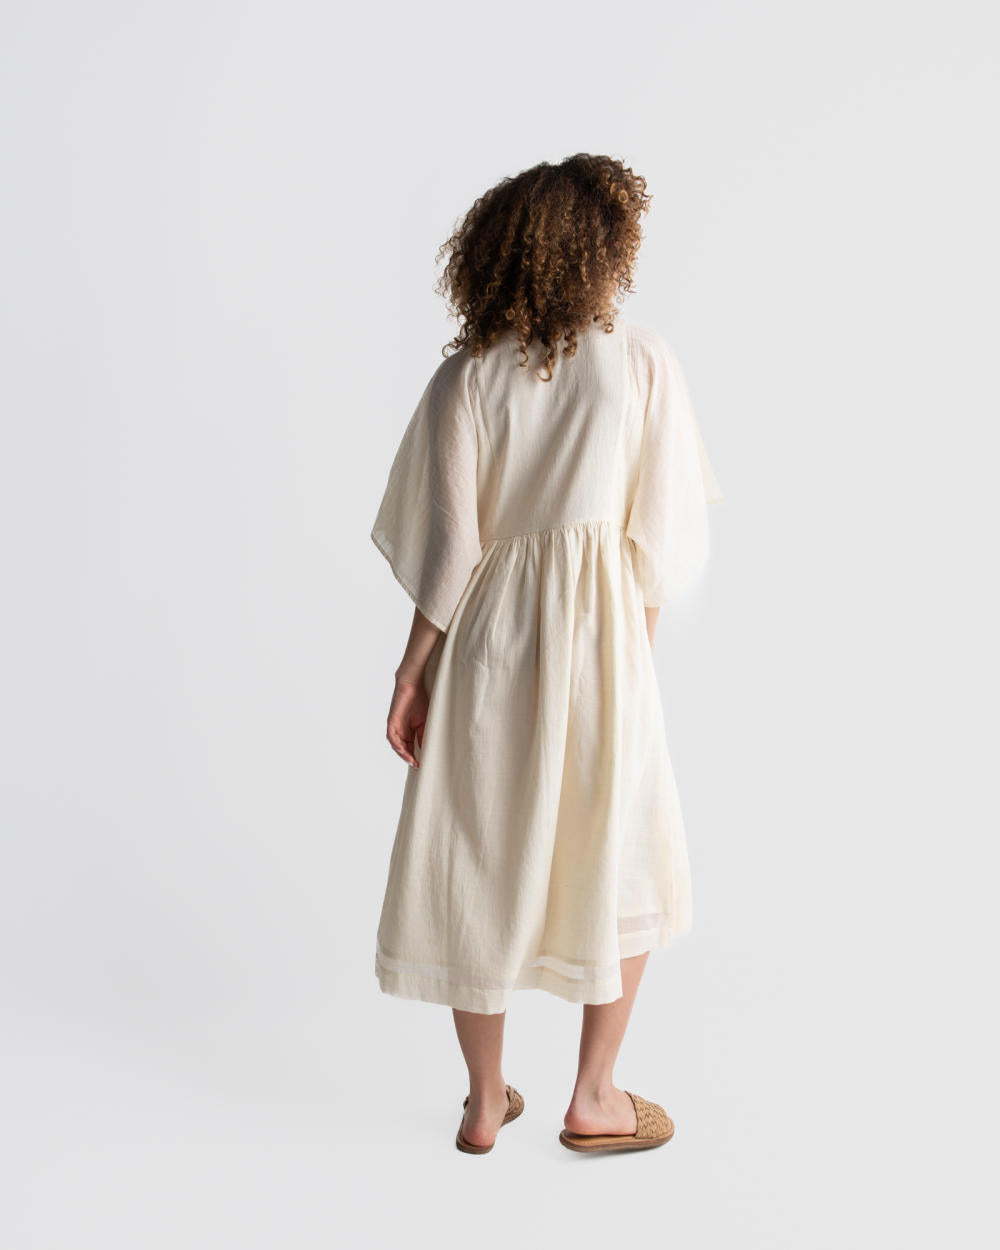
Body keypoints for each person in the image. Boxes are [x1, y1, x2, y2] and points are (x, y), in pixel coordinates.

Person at [369, 153, 724, 1155]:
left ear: (497, 252)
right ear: (602, 246)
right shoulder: (639, 361)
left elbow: (449, 553)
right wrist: (628, 659)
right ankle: (594, 1095)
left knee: (477, 853)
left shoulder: (466, 378)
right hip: (604, 645)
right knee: (623, 850)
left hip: (489, 646)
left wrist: (412, 672)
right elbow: (658, 537)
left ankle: (485, 1102)